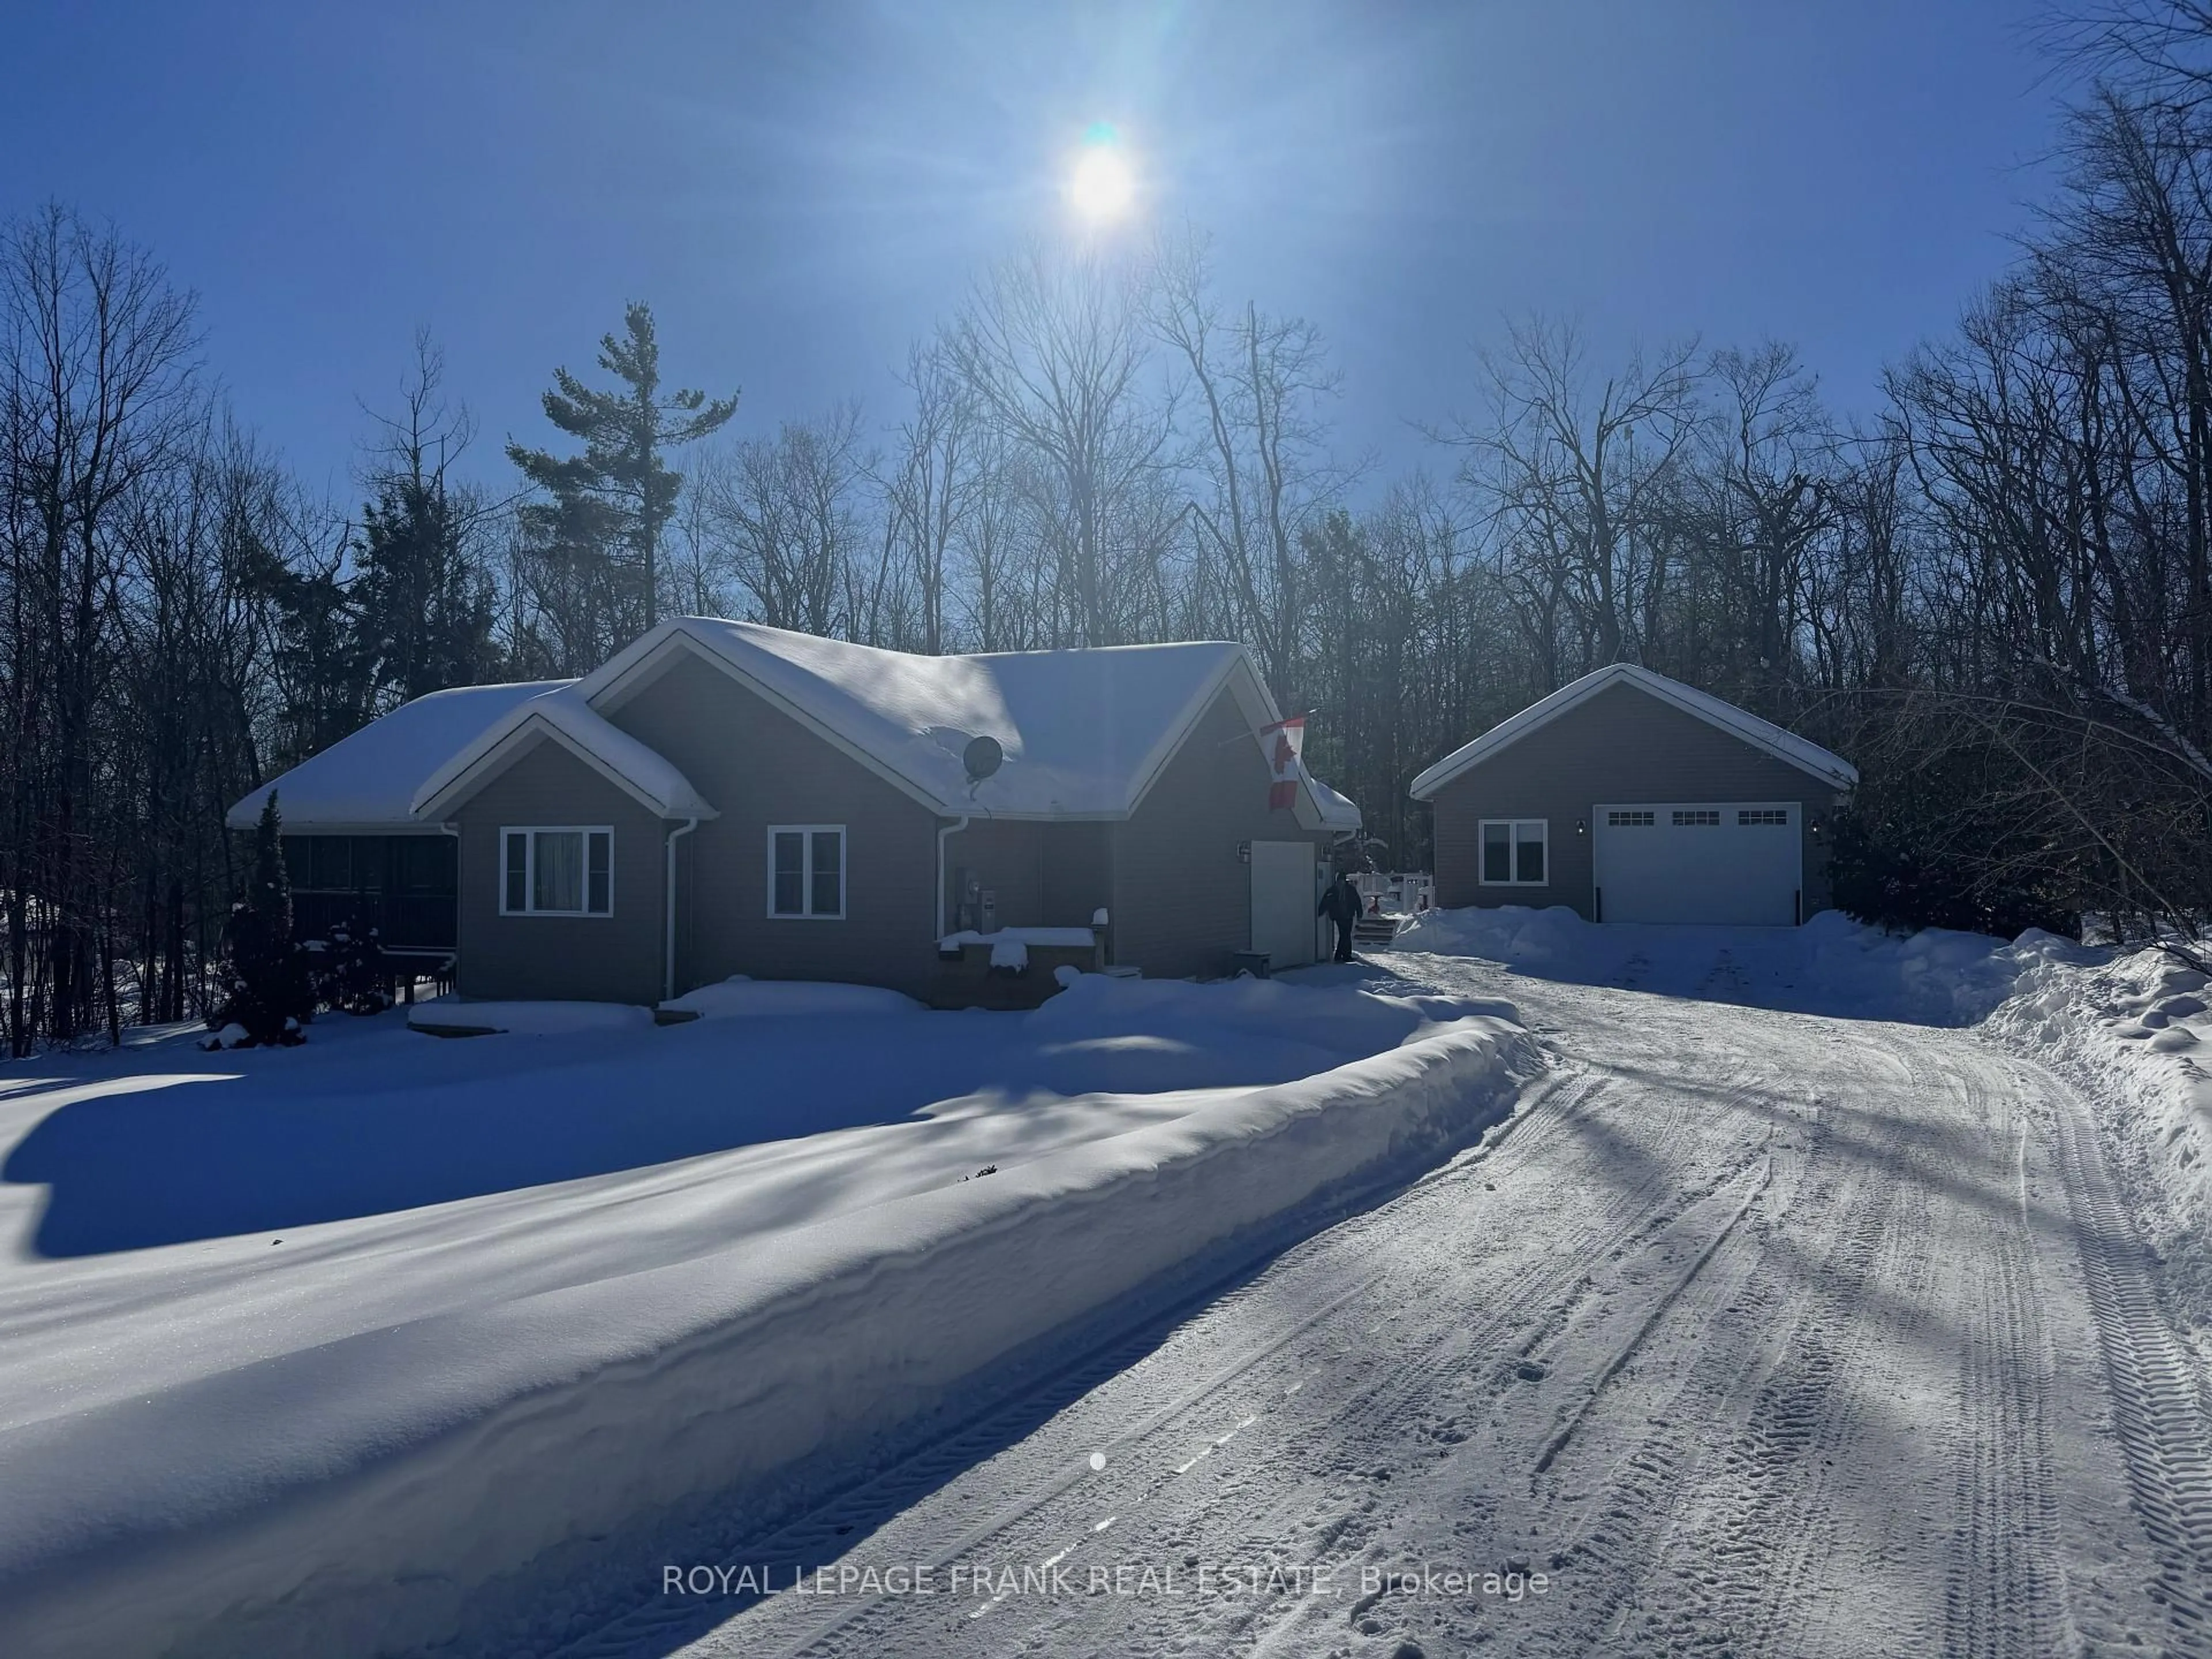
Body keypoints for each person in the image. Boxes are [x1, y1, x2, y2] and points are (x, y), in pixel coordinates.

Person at [1317, 868, 1362, 963]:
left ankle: (1344, 955)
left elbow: (1357, 902)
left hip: (1348, 915)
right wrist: (1320, 911)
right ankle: (1342, 956)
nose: (1341, 882)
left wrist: (1359, 913)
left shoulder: (1350, 890)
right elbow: (1326, 902)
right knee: (1344, 935)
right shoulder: (1333, 891)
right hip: (1339, 916)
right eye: (1340, 880)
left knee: (1346, 935)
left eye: (1342, 880)